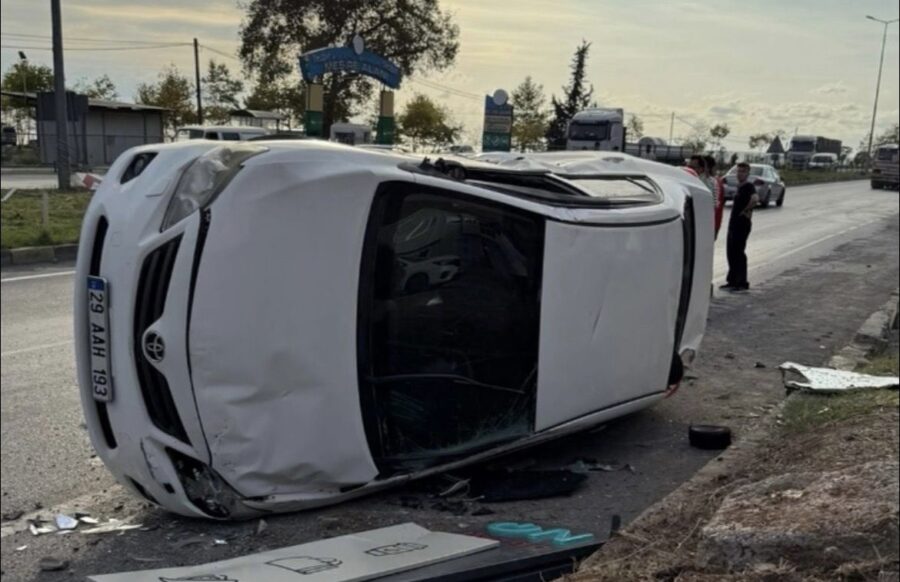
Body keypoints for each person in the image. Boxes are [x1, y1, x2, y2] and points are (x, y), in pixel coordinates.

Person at [722, 162, 759, 292]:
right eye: (738, 171)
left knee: (738, 253)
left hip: (741, 224)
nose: (740, 174)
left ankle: (741, 282)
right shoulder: (740, 187)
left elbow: (755, 199)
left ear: (748, 173)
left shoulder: (749, 186)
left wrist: (746, 211)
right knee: (731, 252)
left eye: (743, 171)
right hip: (733, 224)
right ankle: (732, 280)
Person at [705, 155, 726, 239]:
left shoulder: (713, 183)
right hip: (714, 224)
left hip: (709, 225)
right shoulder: (718, 181)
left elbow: (714, 207)